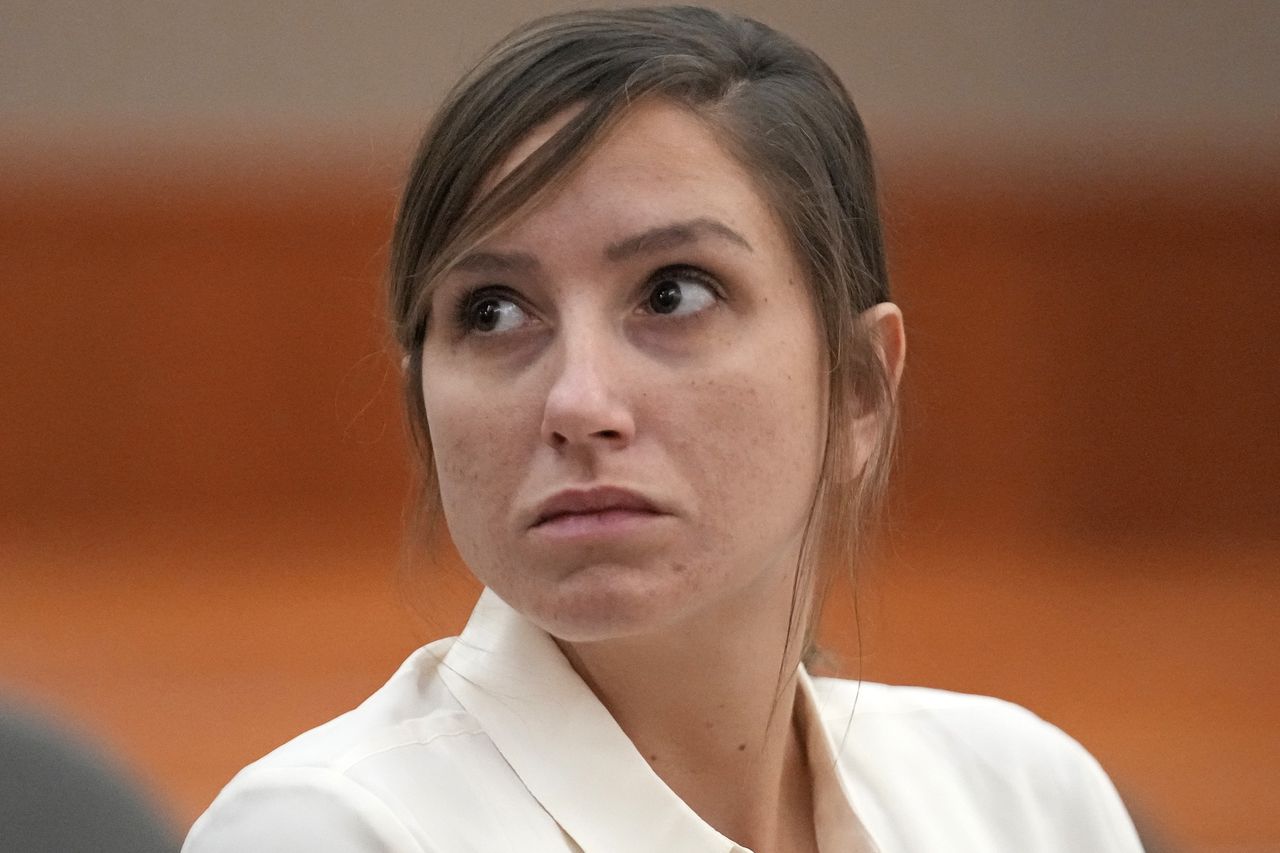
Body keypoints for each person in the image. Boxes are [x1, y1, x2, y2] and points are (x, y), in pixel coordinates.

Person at [184, 6, 1144, 851]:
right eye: (493, 312)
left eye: (673, 292)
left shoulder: (1024, 801)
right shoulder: (333, 831)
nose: (579, 404)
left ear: (857, 389)